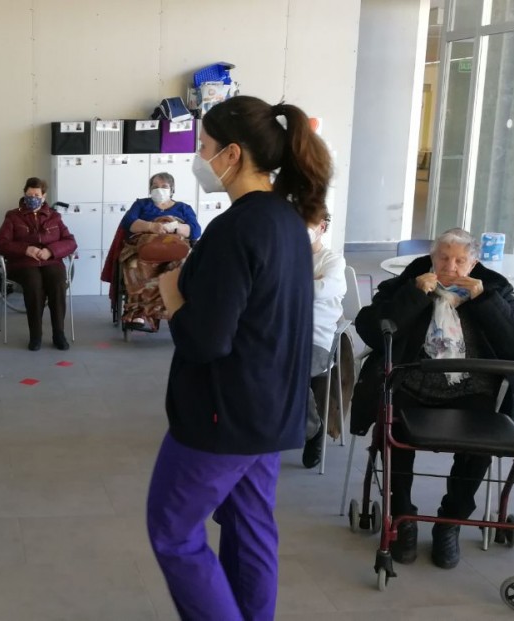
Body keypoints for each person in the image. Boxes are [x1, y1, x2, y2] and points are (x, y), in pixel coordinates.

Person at [148, 96, 331, 621]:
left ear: (232, 154)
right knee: (249, 524)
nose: (198, 159)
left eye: (204, 146)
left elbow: (205, 341)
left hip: (224, 413)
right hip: (271, 407)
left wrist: (173, 294)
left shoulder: (237, 228)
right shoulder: (286, 219)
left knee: (173, 531)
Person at [352, 228, 514, 569]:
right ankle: (403, 517)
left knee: (480, 443)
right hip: (411, 383)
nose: (450, 267)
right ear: (432, 257)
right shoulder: (410, 281)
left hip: (473, 388)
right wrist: (414, 296)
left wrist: (484, 300)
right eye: (443, 258)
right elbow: (371, 330)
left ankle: (450, 521)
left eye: (460, 260)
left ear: (474, 263)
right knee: (395, 428)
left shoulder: (492, 287)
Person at [0, 177, 77, 351]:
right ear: (24, 194)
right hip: (23, 263)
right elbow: (1, 243)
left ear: (44, 196)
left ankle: (59, 334)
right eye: (29, 195)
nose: (32, 198)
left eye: (36, 195)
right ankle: (35, 335)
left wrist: (51, 251)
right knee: (33, 284)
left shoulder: (54, 217)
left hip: (50, 260)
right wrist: (25, 249)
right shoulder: (13, 216)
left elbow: (70, 242)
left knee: (57, 282)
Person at [112, 172, 201, 330]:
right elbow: (127, 222)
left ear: (172, 189)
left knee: (182, 263)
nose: (159, 190)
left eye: (164, 186)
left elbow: (195, 231)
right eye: (155, 186)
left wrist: (174, 227)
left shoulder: (183, 208)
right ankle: (138, 312)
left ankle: (173, 308)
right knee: (134, 264)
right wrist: (151, 226)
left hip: (174, 248)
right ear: (150, 189)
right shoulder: (141, 204)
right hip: (144, 249)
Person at [302, 213, 347, 469]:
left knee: (292, 375)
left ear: (322, 226)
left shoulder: (332, 260)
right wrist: (311, 284)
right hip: (281, 332)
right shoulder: (284, 256)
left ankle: (313, 430)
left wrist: (288, 286)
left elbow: (324, 290)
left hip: (316, 337)